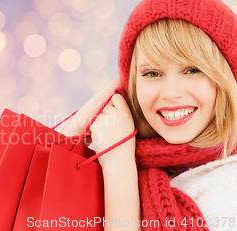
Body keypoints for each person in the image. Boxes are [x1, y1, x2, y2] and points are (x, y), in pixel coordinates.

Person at [57, 0, 237, 230]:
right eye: (152, 73)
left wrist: (118, 166)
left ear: (227, 77)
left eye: (193, 70)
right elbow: (35, 165)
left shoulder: (229, 188)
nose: (171, 93)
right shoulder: (127, 151)